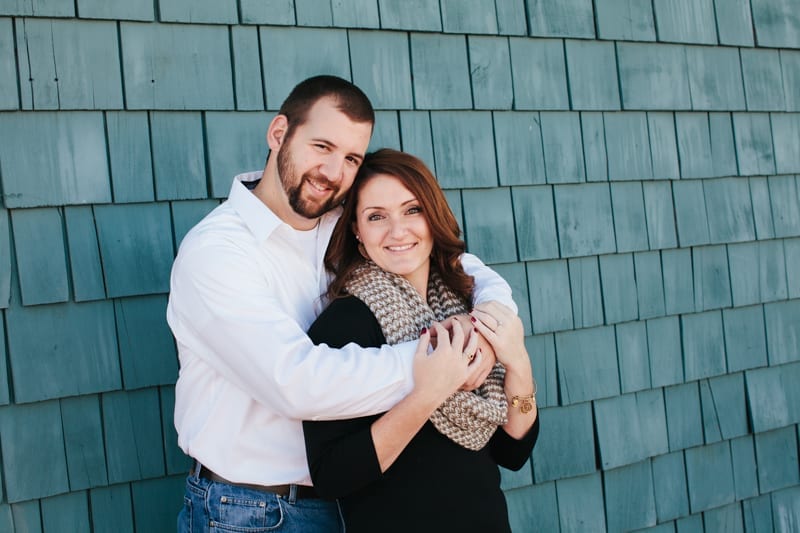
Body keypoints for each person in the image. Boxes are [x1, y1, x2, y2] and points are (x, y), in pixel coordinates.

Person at [166, 75, 519, 532]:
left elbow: (459, 264)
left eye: (351, 158)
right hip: (253, 509)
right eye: (321, 147)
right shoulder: (217, 253)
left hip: (350, 502)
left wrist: (489, 332)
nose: (333, 172)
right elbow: (295, 382)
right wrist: (436, 363)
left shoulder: (338, 220)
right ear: (279, 134)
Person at [303, 148, 539, 533]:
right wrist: (428, 393)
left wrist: (518, 361)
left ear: (433, 216)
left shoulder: (466, 305)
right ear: (357, 232)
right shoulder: (343, 326)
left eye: (412, 210)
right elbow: (332, 475)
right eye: (376, 217)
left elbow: (513, 450)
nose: (398, 231)